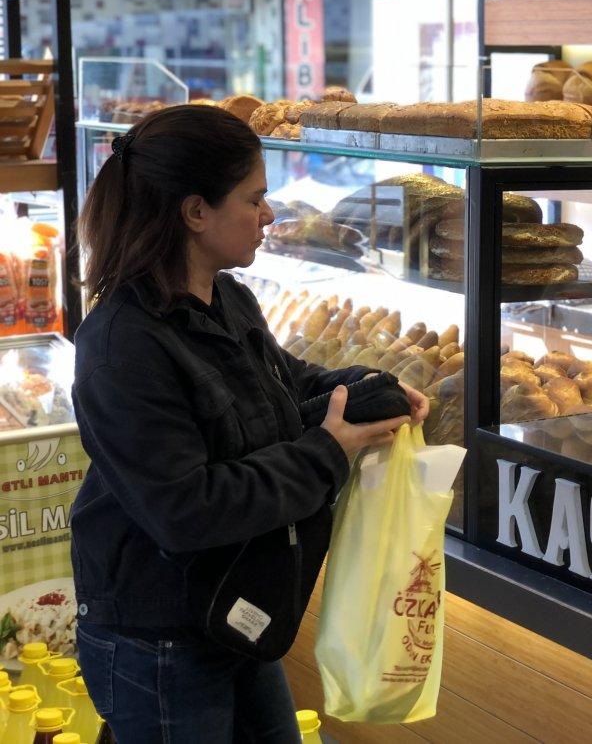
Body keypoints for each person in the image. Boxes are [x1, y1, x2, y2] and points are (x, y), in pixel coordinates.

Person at [70, 105, 429, 743]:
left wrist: (368, 390)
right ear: (195, 212)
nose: (269, 215)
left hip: (237, 607)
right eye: (254, 198)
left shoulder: (227, 297)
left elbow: (288, 385)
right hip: (158, 637)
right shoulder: (122, 345)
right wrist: (327, 452)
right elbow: (185, 509)